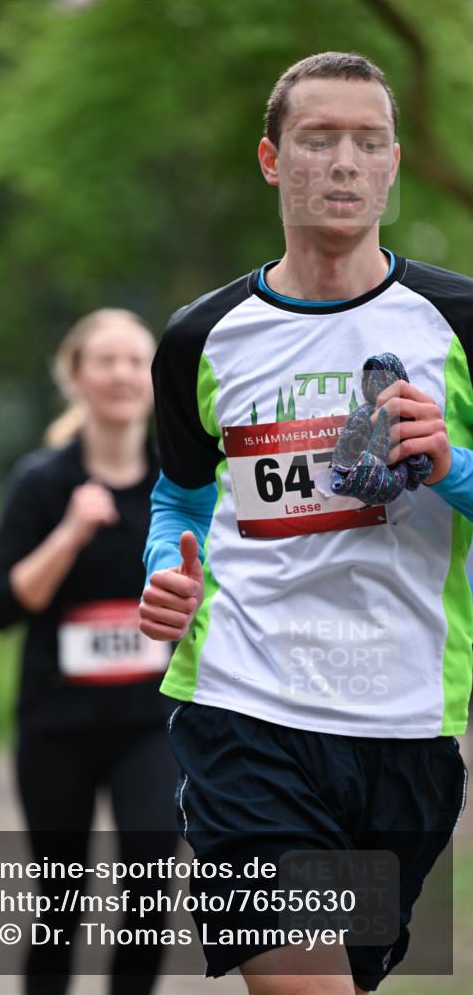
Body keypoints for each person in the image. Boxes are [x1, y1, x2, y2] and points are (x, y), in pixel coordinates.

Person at [140, 52, 473, 995]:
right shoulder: (199, 337)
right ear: (270, 159)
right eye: (317, 139)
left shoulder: (458, 322)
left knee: (348, 979)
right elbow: (179, 497)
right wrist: (167, 569)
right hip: (244, 705)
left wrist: (453, 467)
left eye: (367, 143)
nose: (342, 163)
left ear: (394, 164)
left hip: (403, 718)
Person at [0, 308, 179, 995]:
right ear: (76, 376)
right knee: (60, 904)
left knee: (151, 884)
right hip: (56, 725)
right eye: (106, 360)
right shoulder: (42, 482)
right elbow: (2, 606)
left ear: (155, 378)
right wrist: (70, 531)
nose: (123, 373)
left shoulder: (178, 484)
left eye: (136, 360)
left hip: (150, 725)